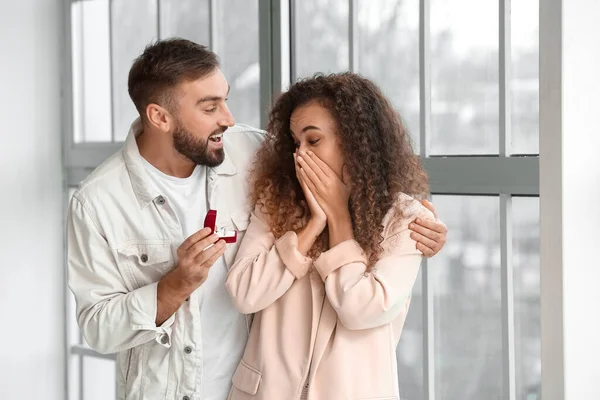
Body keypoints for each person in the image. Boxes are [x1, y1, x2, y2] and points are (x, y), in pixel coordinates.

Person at [67, 39, 446, 400]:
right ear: (159, 116)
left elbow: (369, 179)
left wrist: (422, 228)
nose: (229, 120)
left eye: (225, 100)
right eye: (210, 107)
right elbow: (98, 329)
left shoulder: (255, 154)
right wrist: (172, 288)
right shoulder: (98, 202)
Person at [225, 72, 436, 400]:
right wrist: (311, 228)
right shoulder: (275, 202)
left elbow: (361, 309)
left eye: (313, 140)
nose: (300, 155)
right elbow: (244, 293)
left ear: (353, 141)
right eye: (296, 143)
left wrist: (339, 219)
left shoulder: (406, 219)